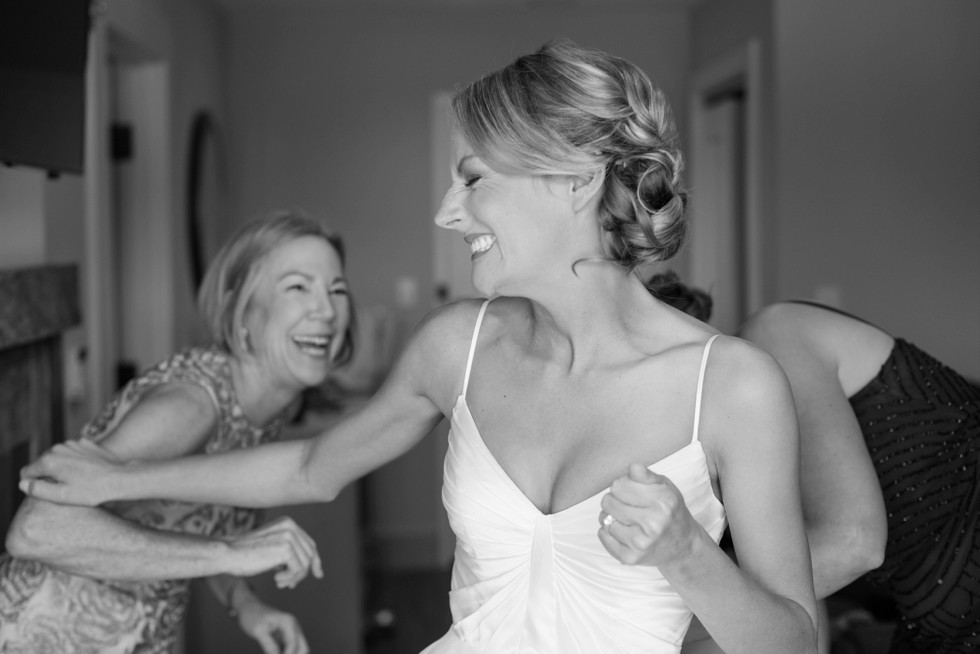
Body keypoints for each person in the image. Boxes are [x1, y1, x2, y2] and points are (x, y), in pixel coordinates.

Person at [19, 40, 818, 653]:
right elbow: (310, 468)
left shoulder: (736, 387)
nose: (447, 211)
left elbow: (796, 641)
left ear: (574, 181)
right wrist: (115, 476)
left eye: (472, 179)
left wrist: (687, 554)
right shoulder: (455, 347)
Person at [2, 211, 350, 654]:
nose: (326, 309)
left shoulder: (267, 410)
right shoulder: (193, 404)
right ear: (241, 309)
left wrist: (244, 603)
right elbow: (35, 529)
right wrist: (231, 553)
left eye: (337, 290)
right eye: (298, 287)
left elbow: (195, 528)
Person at [648, 274, 980, 653]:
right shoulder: (737, 462)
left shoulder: (773, 336)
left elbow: (853, 543)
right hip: (933, 611)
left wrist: (652, 626)